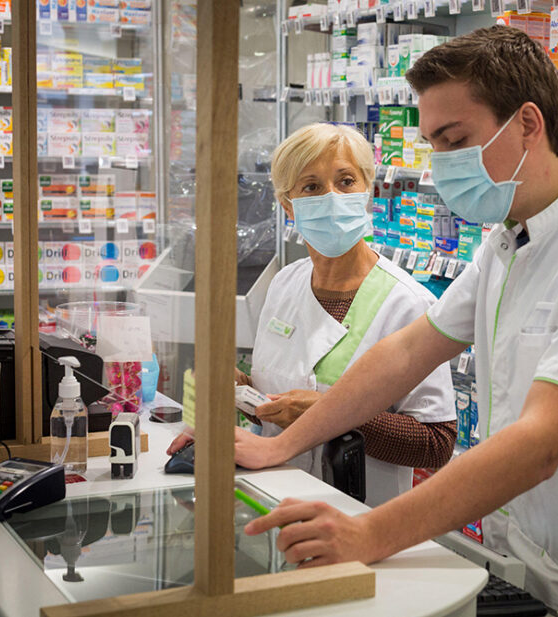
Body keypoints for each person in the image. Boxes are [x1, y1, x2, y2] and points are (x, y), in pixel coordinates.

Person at [243, 26, 558, 617]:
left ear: (528, 123)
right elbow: (408, 353)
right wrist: (282, 448)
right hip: (522, 557)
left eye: (455, 140)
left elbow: (543, 442)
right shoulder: (509, 239)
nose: (443, 164)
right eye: (433, 144)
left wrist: (370, 533)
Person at [168, 123, 457, 507]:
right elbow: (280, 402)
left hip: (357, 514)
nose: (332, 197)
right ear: (288, 205)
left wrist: (329, 415)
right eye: (311, 187)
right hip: (269, 498)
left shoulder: (408, 302)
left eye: (346, 181)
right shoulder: (285, 283)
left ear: (366, 192)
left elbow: (435, 444)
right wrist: (240, 391)